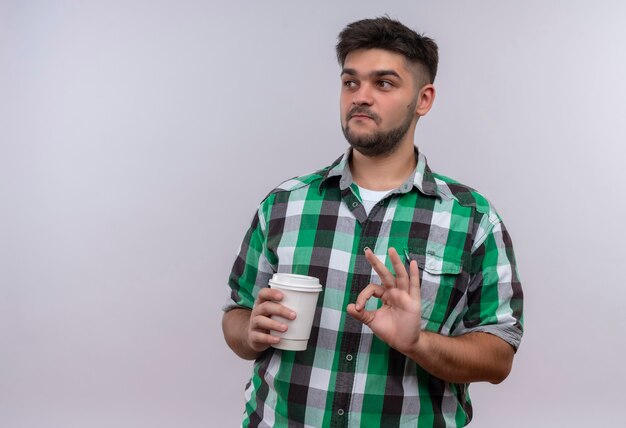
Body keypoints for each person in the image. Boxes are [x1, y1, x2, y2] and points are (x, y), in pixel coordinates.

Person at [222, 16, 524, 428]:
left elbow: (498, 356)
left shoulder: (472, 219)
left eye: (383, 83)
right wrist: (249, 331)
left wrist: (418, 343)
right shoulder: (284, 204)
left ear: (423, 99)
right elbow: (236, 314)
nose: (360, 97)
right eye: (351, 82)